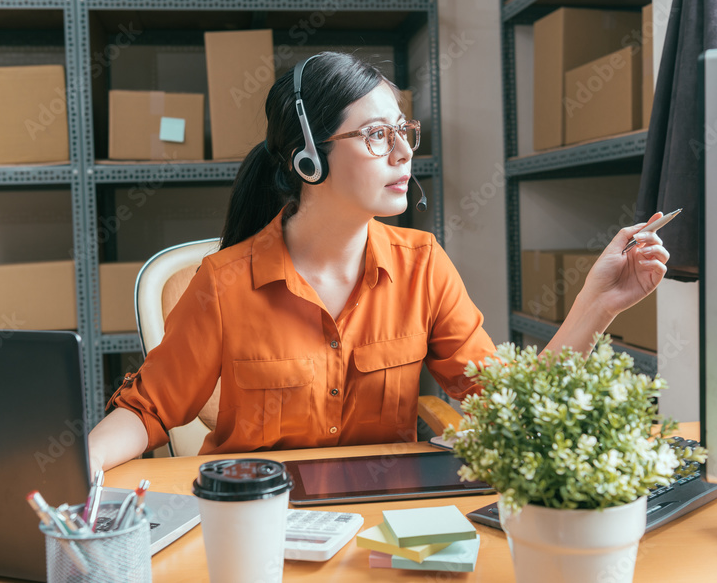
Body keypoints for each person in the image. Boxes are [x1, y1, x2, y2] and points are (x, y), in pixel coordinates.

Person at [87, 51, 670, 474]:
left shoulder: (423, 267)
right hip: (263, 521)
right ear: (308, 159)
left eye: (404, 131)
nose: (402, 152)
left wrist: (598, 303)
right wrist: (82, 464)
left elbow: (507, 407)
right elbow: (147, 410)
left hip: (385, 520)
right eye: (374, 135)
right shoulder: (224, 282)